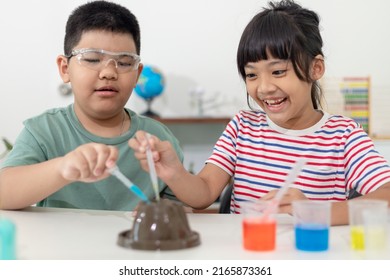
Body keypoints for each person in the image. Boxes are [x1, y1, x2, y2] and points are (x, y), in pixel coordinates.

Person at [129, 0, 390, 225]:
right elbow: (205, 192)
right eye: (252, 75)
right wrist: (174, 172)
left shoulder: (342, 135)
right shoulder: (243, 127)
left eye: (278, 71)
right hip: (248, 255)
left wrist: (316, 212)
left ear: (315, 68)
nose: (264, 88)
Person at [0, 1, 183, 211]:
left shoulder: (156, 138)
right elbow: (4, 193)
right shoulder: (44, 131)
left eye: (124, 63)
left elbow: (180, 205)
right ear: (65, 68)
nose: (109, 72)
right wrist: (62, 168)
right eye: (93, 59)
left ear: (137, 75)